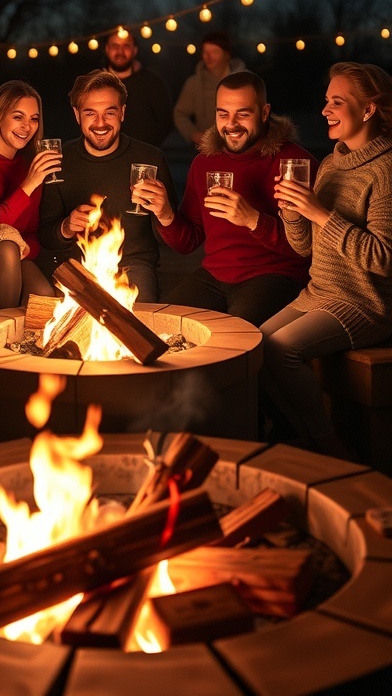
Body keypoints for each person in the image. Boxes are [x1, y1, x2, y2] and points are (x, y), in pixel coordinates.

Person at [260, 62, 392, 459]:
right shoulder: (332, 163)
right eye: (325, 100)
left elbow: (384, 259)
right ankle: (306, 438)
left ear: (368, 110)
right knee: (255, 346)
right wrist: (292, 213)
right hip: (320, 292)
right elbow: (305, 249)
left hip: (364, 302)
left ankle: (329, 447)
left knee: (280, 349)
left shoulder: (386, 171)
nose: (325, 110)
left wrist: (320, 214)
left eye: (337, 102)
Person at [136, 71, 317, 324]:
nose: (231, 124)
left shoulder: (295, 163)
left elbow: (308, 250)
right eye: (223, 114)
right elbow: (188, 242)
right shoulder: (204, 163)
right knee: (164, 324)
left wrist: (253, 219)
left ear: (264, 113)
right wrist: (165, 213)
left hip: (275, 275)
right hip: (215, 275)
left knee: (237, 336)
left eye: (243, 114)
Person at [38, 69, 178, 302]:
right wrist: (66, 226)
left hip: (134, 266)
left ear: (122, 112)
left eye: (109, 113)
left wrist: (165, 213)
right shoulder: (58, 160)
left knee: (138, 330)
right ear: (76, 114)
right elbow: (45, 236)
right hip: (77, 267)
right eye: (90, 113)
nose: (100, 123)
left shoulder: (150, 158)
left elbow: (171, 240)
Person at [0, 81, 57, 306]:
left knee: (43, 295)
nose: (27, 127)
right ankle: (2, 331)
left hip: (13, 256)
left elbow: (32, 234)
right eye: (18, 117)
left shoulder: (29, 168)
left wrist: (27, 248)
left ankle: (27, 341)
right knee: (7, 246)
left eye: (34, 119)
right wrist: (28, 185)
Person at [174, 30, 246, 147]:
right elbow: (180, 113)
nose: (208, 56)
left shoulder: (245, 82)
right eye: (205, 52)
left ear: (227, 54)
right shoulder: (194, 84)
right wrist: (194, 134)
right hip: (207, 151)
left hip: (241, 149)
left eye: (214, 51)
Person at [104, 30, 173, 147]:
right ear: (107, 49)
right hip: (101, 157)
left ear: (135, 50)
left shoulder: (153, 82)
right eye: (115, 46)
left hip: (142, 159)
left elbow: (166, 121)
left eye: (126, 46)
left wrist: (148, 149)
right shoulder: (94, 84)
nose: (120, 52)